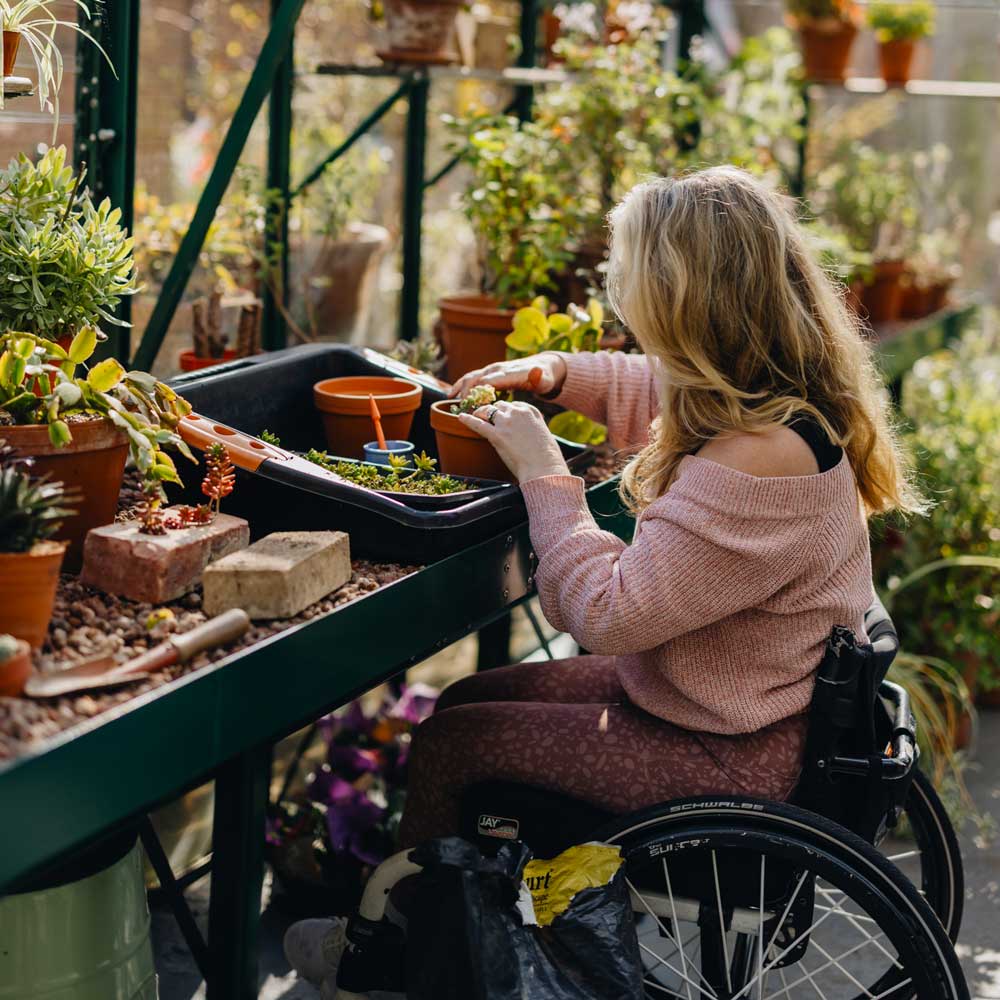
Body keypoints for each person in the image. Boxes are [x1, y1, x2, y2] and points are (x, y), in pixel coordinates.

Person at [284, 166, 923, 991]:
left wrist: (543, 472)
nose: (618, 289)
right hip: (716, 706)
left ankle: (418, 955)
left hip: (722, 755)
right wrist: (550, 372)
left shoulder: (758, 464)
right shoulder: (780, 407)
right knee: (463, 700)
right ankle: (444, 919)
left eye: (628, 272)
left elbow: (606, 612)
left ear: (680, 294)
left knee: (453, 744)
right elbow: (654, 385)